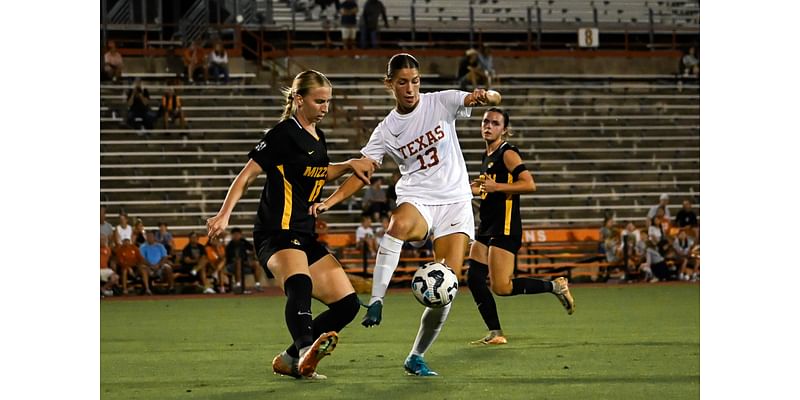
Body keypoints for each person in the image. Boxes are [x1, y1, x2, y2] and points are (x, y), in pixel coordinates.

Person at [311, 53, 501, 376]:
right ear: (390, 85)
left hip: (455, 201)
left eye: (415, 81)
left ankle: (416, 356)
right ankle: (377, 299)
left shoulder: (440, 102)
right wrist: (329, 202)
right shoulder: (386, 130)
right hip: (419, 197)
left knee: (447, 287)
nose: (410, 88)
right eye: (402, 82)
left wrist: (486, 95)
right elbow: (361, 172)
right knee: (397, 222)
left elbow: (482, 98)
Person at [206, 70, 377, 379]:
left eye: (329, 102)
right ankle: (307, 349)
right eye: (319, 101)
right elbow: (246, 176)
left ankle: (290, 358)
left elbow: (319, 172)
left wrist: (350, 164)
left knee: (347, 305)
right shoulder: (283, 133)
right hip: (276, 231)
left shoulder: (317, 136)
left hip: (303, 232)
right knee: (300, 285)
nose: (325, 108)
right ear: (299, 99)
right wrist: (224, 214)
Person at [466, 108, 575, 345]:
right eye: (485, 121)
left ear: (504, 129)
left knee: (502, 287)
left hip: (505, 227)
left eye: (495, 123)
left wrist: (496, 188)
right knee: (474, 278)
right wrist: (468, 190)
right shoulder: (487, 155)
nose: (488, 126)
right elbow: (487, 189)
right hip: (487, 226)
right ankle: (495, 333)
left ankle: (555, 286)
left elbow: (529, 184)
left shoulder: (508, 153)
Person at [224, 227, 265, 293]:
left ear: (240, 235)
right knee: (238, 261)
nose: (236, 236)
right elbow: (230, 259)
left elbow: (253, 250)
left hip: (245, 264)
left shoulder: (243, 242)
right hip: (232, 266)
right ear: (232, 235)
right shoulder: (230, 245)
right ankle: (238, 285)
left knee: (256, 264)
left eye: (238, 234)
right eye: (235, 234)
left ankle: (257, 284)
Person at [139, 230, 175, 294]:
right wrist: (151, 265)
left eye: (151, 236)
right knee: (143, 268)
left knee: (168, 267)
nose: (149, 237)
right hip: (148, 267)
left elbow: (164, 257)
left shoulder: (160, 246)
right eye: (148, 236)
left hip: (160, 266)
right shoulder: (143, 247)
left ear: (154, 237)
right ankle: (147, 289)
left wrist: (159, 265)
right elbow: (142, 259)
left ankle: (171, 288)